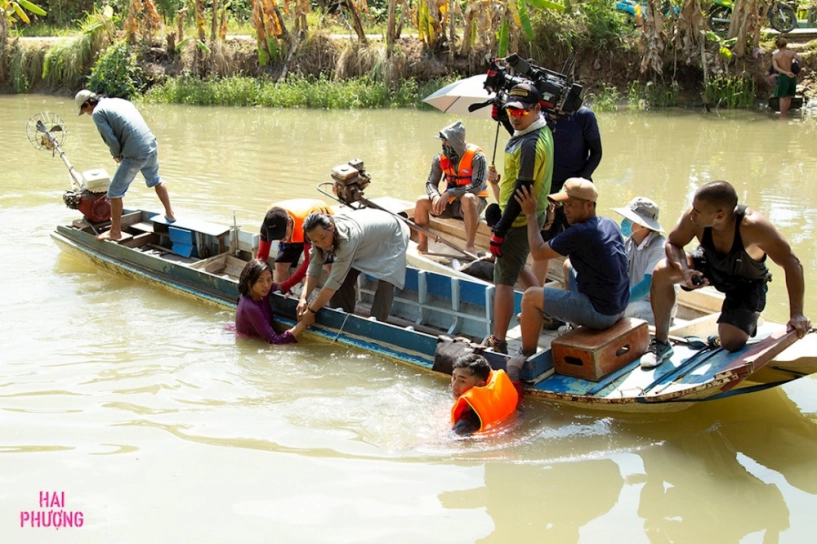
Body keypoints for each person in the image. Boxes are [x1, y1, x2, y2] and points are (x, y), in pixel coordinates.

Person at [641, 180, 811, 369]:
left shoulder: (753, 226)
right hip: (709, 265)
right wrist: (685, 271)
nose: (692, 213)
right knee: (662, 270)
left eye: (697, 211)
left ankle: (741, 323)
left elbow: (792, 263)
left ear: (719, 215)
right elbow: (673, 243)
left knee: (731, 342)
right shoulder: (694, 218)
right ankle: (661, 343)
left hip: (746, 283)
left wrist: (797, 314)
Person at [510, 179, 629, 361]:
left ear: (589, 205)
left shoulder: (580, 233)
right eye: (564, 205)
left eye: (571, 205)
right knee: (568, 265)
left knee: (530, 297)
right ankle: (574, 323)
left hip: (601, 315)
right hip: (619, 306)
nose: (566, 210)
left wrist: (531, 215)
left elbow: (538, 252)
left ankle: (526, 355)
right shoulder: (608, 223)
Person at [484, 82, 553, 354]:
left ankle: (498, 341)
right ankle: (546, 307)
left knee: (503, 280)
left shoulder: (530, 144)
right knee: (514, 263)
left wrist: (500, 229)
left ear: (537, 109)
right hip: (531, 214)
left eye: (521, 112)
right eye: (510, 110)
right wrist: (502, 116)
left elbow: (522, 189)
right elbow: (516, 122)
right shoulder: (541, 128)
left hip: (518, 218)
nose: (515, 116)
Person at [76, 90, 175, 241]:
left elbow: (110, 138)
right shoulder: (120, 101)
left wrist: (117, 154)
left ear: (88, 104)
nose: (88, 114)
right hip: (151, 144)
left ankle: (115, 232)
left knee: (114, 192)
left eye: (85, 110)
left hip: (135, 152)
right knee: (156, 180)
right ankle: (170, 214)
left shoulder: (97, 112)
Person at [296, 208, 410, 325]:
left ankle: (376, 324)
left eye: (323, 238)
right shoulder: (318, 235)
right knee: (343, 279)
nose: (321, 244)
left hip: (393, 235)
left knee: (387, 281)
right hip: (366, 238)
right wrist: (303, 298)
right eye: (315, 241)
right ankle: (341, 318)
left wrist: (311, 311)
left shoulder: (347, 240)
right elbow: (314, 267)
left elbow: (334, 282)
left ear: (331, 226)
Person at [533, 106, 603, 286]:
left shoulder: (582, 116)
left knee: (584, 241)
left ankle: (585, 290)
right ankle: (535, 292)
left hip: (577, 190)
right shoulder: (540, 114)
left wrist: (579, 185)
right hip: (550, 190)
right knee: (543, 239)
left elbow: (596, 153)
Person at [414, 121, 488, 256]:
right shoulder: (439, 158)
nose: (446, 148)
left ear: (459, 143)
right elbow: (430, 183)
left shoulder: (477, 157)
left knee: (468, 198)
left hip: (472, 203)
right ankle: (423, 245)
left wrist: (450, 193)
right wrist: (435, 196)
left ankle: (470, 246)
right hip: (451, 202)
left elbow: (476, 186)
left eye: (449, 145)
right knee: (421, 202)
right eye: (443, 145)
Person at [611, 196, 667, 325]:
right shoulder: (628, 241)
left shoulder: (660, 248)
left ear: (642, 225)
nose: (624, 222)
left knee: (608, 310)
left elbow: (648, 284)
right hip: (632, 300)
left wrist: (620, 300)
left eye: (629, 219)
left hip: (651, 306)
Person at [257, 198, 332, 292]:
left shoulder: (307, 226)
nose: (281, 240)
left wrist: (286, 285)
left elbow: (309, 262)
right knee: (280, 265)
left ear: (289, 222)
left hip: (314, 226)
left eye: (282, 235)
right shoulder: (267, 225)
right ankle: (281, 296)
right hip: (295, 230)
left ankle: (330, 295)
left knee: (330, 265)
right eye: (276, 237)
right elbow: (262, 257)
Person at [235, 259, 306, 344]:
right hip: (250, 343)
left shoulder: (261, 291)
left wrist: (287, 291)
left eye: (269, 279)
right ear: (249, 283)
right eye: (260, 280)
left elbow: (279, 286)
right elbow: (275, 341)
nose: (266, 285)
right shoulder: (250, 307)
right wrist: (303, 324)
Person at [450, 353, 519, 435]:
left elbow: (451, 441)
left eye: (462, 381)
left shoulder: (466, 423)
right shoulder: (499, 395)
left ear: (480, 385)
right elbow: (517, 391)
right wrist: (514, 370)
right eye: (454, 377)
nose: (454, 386)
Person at [772, 37, 798, 118]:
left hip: (784, 76)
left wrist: (785, 72)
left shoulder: (775, 56)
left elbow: (776, 68)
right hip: (792, 76)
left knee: (783, 96)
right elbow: (799, 60)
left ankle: (782, 115)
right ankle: (785, 113)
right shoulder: (792, 53)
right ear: (786, 44)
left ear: (777, 45)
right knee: (789, 95)